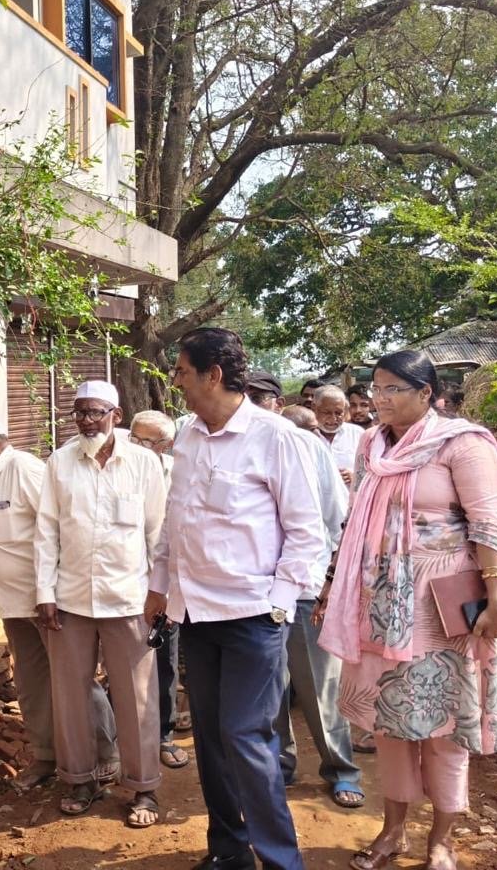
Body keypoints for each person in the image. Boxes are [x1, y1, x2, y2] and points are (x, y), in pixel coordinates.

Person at [317, 350, 497, 870]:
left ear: (427, 394)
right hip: (381, 603)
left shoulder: (462, 443)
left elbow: (488, 524)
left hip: (443, 608)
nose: (378, 399)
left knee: (445, 726)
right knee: (390, 724)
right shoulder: (371, 444)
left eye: (392, 390)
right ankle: (392, 830)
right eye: (376, 389)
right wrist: (331, 585)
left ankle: (442, 839)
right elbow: (358, 519)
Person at [145, 328, 322, 870]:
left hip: (252, 615)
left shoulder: (275, 437)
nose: (174, 381)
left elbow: (307, 533)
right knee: (212, 742)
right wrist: (159, 584)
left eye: (179, 371)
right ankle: (228, 850)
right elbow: (176, 521)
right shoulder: (188, 436)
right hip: (194, 614)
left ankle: (280, 860)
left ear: (212, 375)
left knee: (246, 738)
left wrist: (279, 603)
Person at [0, 410, 117, 790]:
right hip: (14, 604)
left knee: (73, 679)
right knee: (32, 682)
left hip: (46, 602)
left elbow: (58, 530)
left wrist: (52, 593)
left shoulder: (25, 470)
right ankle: (46, 755)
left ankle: (105, 754)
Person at [35, 380, 168, 826]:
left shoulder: (144, 464)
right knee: (70, 695)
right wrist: (44, 593)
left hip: (129, 599)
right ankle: (80, 779)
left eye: (95, 412)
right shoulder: (59, 462)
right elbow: (46, 532)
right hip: (70, 599)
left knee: (138, 698)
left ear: (115, 413)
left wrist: (160, 592)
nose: (86, 421)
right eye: (79, 413)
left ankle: (143, 787)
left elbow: (158, 534)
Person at [273, 408, 364, 809]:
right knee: (269, 690)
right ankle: (279, 767)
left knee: (319, 687)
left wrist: (326, 580)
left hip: (305, 588)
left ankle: (342, 770)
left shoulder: (311, 449)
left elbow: (335, 516)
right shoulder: (248, 447)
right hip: (256, 595)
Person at [130, 410, 190, 770]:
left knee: (164, 659)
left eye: (146, 442)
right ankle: (129, 734)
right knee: (125, 662)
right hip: (124, 583)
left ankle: (163, 735)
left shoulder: (178, 472)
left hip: (166, 585)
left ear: (166, 446)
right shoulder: (119, 467)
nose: (135, 446)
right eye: (134, 438)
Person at [313, 386, 364, 487]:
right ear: (314, 408)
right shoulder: (306, 437)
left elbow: (371, 471)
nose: (333, 418)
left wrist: (355, 478)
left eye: (338, 413)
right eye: (327, 412)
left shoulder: (358, 434)